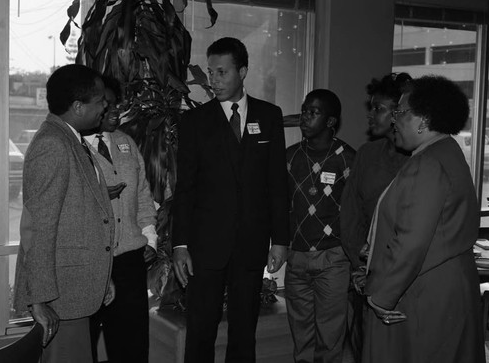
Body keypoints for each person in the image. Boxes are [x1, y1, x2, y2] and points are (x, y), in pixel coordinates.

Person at [172, 36, 290, 363]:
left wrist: (280, 239)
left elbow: (277, 183)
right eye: (211, 72)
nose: (214, 80)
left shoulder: (269, 116)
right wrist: (179, 244)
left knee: (243, 331)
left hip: (251, 244)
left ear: (243, 71)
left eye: (222, 72)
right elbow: (186, 188)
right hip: (206, 245)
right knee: (201, 330)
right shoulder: (195, 121)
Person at [363, 75, 486, 363]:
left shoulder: (427, 163)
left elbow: (412, 241)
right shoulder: (446, 151)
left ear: (423, 119)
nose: (394, 121)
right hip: (445, 284)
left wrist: (382, 296)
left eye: (400, 113)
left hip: (426, 293)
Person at [13, 64, 115, 363]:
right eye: (100, 101)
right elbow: (39, 229)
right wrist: (39, 299)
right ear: (78, 106)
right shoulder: (53, 145)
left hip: (76, 289)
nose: (106, 105)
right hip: (60, 297)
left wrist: (101, 275)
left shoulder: (72, 139)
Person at [85, 75, 157, 363]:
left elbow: (142, 193)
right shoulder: (73, 146)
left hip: (129, 261)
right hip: (91, 263)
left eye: (119, 105)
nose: (116, 112)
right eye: (108, 105)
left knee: (132, 346)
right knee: (84, 345)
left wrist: (150, 238)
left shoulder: (126, 142)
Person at [340, 72, 411, 362]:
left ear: (399, 114)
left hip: (404, 279)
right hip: (363, 276)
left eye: (378, 109)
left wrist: (384, 271)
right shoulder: (367, 154)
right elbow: (351, 215)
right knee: (363, 349)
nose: (371, 115)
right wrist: (361, 265)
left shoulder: (421, 159)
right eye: (371, 107)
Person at [285, 89, 355, 363]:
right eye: (304, 110)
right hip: (297, 256)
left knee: (330, 338)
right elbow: (279, 207)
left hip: (333, 258)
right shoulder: (289, 157)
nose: (304, 117)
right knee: (301, 337)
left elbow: (357, 212)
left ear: (330, 121)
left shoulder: (348, 158)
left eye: (313, 113)